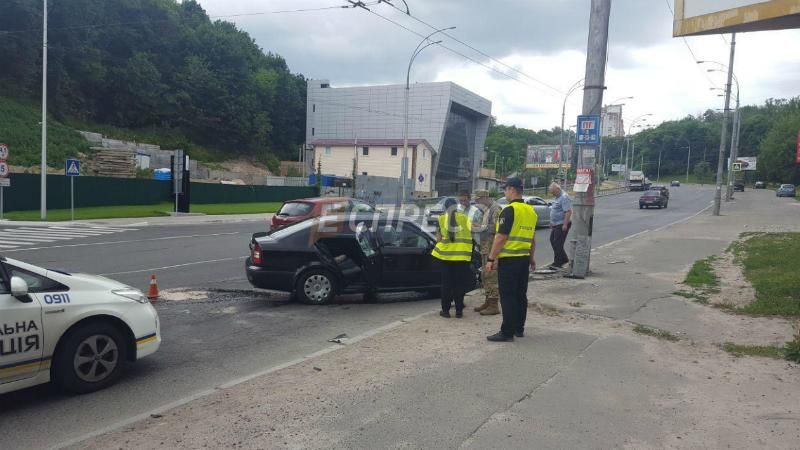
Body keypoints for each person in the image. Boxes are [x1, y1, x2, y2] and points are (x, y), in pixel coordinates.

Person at [485, 177, 537, 342]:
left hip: (509, 260)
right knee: (521, 295)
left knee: (507, 295)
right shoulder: (531, 211)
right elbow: (532, 238)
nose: (504, 192)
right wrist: (532, 258)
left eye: (505, 189)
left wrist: (491, 259)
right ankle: (518, 329)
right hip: (523, 259)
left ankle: (506, 332)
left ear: (512, 189)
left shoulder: (509, 210)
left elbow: (500, 237)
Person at [431, 197, 473, 318]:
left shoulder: (441, 219)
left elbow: (438, 239)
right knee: (460, 284)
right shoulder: (465, 218)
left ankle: (445, 311)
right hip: (462, 257)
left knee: (446, 285)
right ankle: (459, 311)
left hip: (446, 257)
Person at [472, 190, 503, 316]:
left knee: (492, 276)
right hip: (486, 247)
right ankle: (488, 301)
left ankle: (494, 304)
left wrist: (479, 226)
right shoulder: (486, 210)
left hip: (493, 249)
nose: (476, 203)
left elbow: (497, 228)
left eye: (478, 200)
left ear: (484, 198)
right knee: (485, 275)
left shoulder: (496, 209)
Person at [548, 182, 572, 269]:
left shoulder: (564, 197)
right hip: (556, 224)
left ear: (557, 189)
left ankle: (557, 263)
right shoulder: (557, 197)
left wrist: (565, 224)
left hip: (562, 223)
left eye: (553, 192)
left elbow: (568, 212)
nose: (552, 194)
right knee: (553, 241)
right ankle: (564, 258)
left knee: (558, 243)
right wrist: (552, 222)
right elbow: (555, 210)